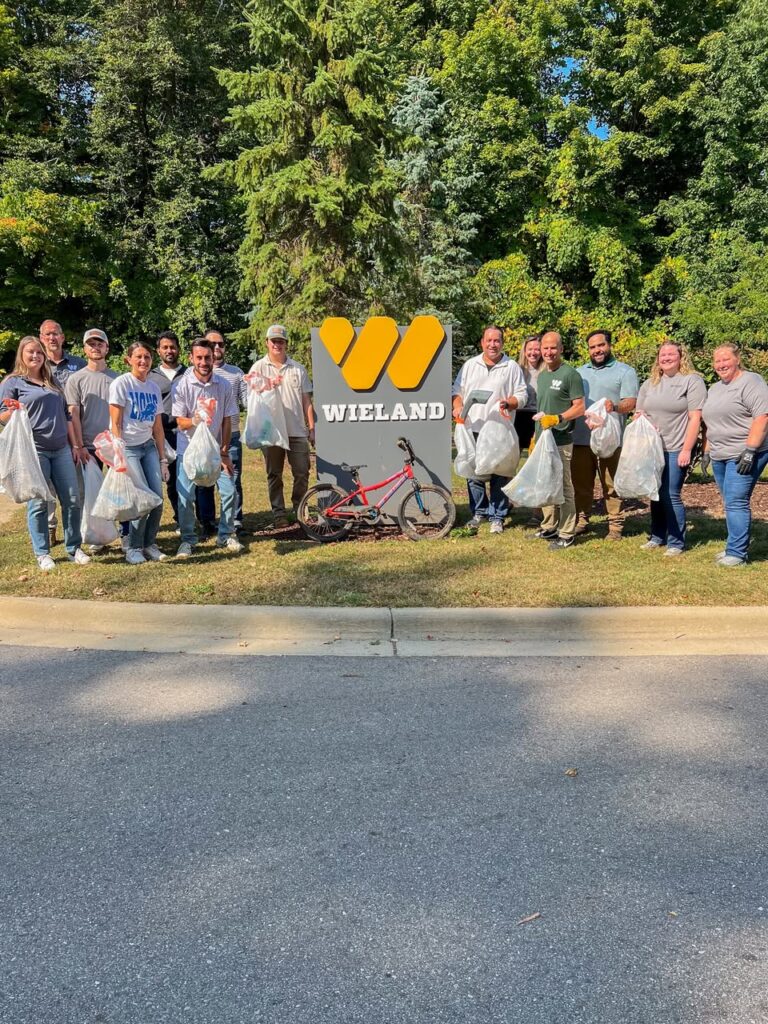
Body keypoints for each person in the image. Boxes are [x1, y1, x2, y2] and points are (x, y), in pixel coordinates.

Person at [0, 336, 90, 571]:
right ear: (22, 354)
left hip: (61, 449)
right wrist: (14, 411)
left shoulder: (52, 383)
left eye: (39, 353)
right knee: (39, 503)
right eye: (30, 352)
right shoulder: (13, 382)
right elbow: (2, 416)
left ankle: (74, 548)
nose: (35, 356)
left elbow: (67, 417)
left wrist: (76, 446)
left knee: (72, 500)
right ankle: (42, 553)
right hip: (34, 451)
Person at [451, 325, 528, 534]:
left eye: (497, 341)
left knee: (499, 473)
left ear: (502, 343)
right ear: (482, 343)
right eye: (489, 340)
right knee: (473, 472)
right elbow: (457, 391)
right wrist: (457, 406)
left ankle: (497, 516)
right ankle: (479, 512)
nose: (492, 344)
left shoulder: (511, 366)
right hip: (473, 426)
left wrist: (509, 403)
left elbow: (522, 395)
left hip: (498, 429)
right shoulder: (470, 365)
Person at [171, 338, 243, 558]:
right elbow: (178, 421)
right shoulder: (182, 385)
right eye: (199, 357)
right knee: (185, 497)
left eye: (207, 357)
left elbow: (227, 419)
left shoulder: (223, 385)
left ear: (214, 358)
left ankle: (226, 535)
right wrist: (194, 420)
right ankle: (188, 540)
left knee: (229, 491)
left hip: (214, 452)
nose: (204, 362)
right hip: (189, 450)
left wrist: (224, 452)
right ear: (191, 358)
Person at [635, 340, 706, 556]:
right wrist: (644, 420)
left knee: (670, 493)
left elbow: (696, 418)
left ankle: (676, 541)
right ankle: (657, 536)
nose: (666, 358)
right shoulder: (650, 383)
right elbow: (639, 413)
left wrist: (687, 449)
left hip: (677, 446)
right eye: (662, 354)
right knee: (655, 492)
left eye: (670, 354)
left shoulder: (691, 381)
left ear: (680, 357)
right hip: (652, 448)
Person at [702, 344, 768, 567]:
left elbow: (762, 417)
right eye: (717, 361)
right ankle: (735, 545)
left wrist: (750, 451)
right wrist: (707, 452)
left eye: (726, 359)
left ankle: (737, 554)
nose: (721, 364)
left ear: (737, 359)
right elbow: (712, 422)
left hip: (744, 452)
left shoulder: (751, 381)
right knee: (730, 500)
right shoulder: (715, 388)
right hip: (720, 453)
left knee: (736, 501)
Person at [572, 330, 638, 540]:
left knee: (611, 485)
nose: (597, 350)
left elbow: (631, 402)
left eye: (601, 345)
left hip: (611, 440)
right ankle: (581, 520)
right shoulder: (578, 373)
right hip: (582, 438)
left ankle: (615, 526)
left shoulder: (625, 372)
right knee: (582, 485)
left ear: (609, 345)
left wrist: (615, 406)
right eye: (592, 347)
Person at [248, 324, 315, 528]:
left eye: (281, 341)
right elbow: (251, 397)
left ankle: (299, 509)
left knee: (302, 472)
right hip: (271, 431)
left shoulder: (298, 369)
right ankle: (279, 514)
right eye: (274, 340)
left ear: (286, 343)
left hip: (296, 430)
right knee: (274, 473)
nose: (277, 344)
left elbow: (306, 401)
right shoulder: (258, 367)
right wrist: (267, 386)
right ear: (267, 343)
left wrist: (311, 428)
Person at [108, 341, 168, 564]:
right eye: (139, 357)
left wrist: (163, 459)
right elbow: (115, 422)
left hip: (148, 446)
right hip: (129, 449)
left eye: (147, 357)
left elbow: (158, 427)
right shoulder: (121, 384)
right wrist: (119, 453)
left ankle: (149, 543)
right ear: (129, 359)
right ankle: (133, 547)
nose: (143, 361)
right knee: (141, 499)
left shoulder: (153, 388)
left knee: (158, 499)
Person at [64, 328, 120, 552]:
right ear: (85, 349)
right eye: (91, 344)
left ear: (107, 348)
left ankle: (122, 534)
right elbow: (73, 414)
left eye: (100, 344)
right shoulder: (76, 379)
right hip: (88, 446)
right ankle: (96, 536)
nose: (96, 348)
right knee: (91, 494)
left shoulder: (117, 378)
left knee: (118, 492)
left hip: (113, 445)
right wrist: (78, 445)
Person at [532, 330, 586, 549]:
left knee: (564, 487)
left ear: (561, 349)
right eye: (545, 348)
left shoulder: (570, 374)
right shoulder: (543, 375)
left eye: (553, 347)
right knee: (545, 483)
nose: (548, 352)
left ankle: (566, 533)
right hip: (542, 439)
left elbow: (580, 407)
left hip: (561, 439)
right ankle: (549, 527)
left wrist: (559, 418)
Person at [38, 319, 86, 547]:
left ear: (63, 337)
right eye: (47, 334)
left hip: (74, 433)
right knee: (46, 489)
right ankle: (50, 529)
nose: (51, 338)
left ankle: (78, 530)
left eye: (55, 333)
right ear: (41, 338)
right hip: (48, 434)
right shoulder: (36, 364)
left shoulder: (78, 363)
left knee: (74, 488)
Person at [198, 328, 246, 532]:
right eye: (212, 344)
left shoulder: (236, 373)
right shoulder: (198, 371)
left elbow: (247, 400)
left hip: (231, 434)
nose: (217, 347)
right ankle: (207, 522)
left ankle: (235, 520)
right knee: (204, 480)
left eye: (221, 344)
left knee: (232, 479)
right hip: (205, 437)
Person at [148, 330, 186, 523]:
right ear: (158, 351)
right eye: (165, 347)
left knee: (187, 478)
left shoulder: (188, 373)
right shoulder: (150, 376)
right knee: (169, 480)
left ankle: (198, 518)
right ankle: (180, 518)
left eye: (172, 347)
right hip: (162, 434)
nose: (169, 350)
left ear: (178, 349)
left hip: (185, 432)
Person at [515, 334, 542, 451]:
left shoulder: (547, 371)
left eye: (537, 349)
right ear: (524, 351)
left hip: (538, 417)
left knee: (536, 456)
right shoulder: (516, 369)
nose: (533, 353)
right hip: (518, 416)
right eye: (530, 349)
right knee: (513, 457)